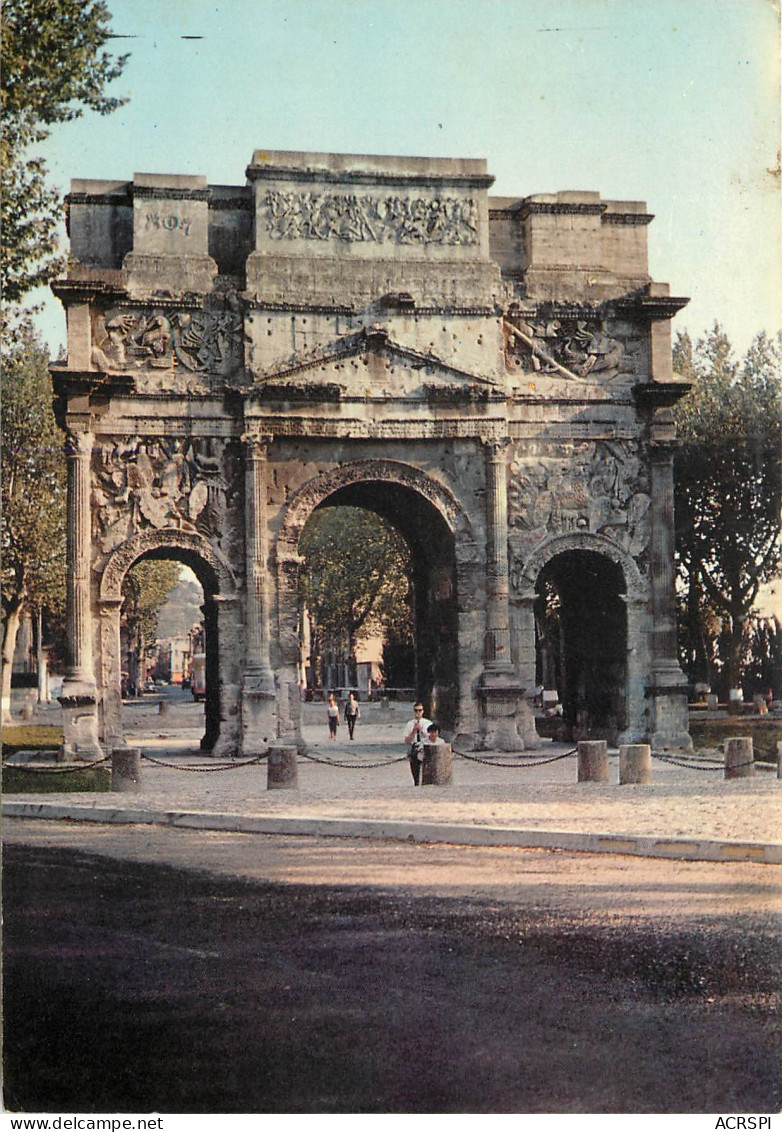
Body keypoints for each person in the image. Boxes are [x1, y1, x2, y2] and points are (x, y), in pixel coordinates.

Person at [403, 701, 432, 785]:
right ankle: (416, 782)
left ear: (423, 711)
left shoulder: (428, 723)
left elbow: (431, 737)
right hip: (414, 746)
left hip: (425, 746)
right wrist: (414, 731)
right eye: (416, 710)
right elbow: (406, 740)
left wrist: (422, 730)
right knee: (415, 769)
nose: (418, 713)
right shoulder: (409, 724)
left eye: (420, 710)